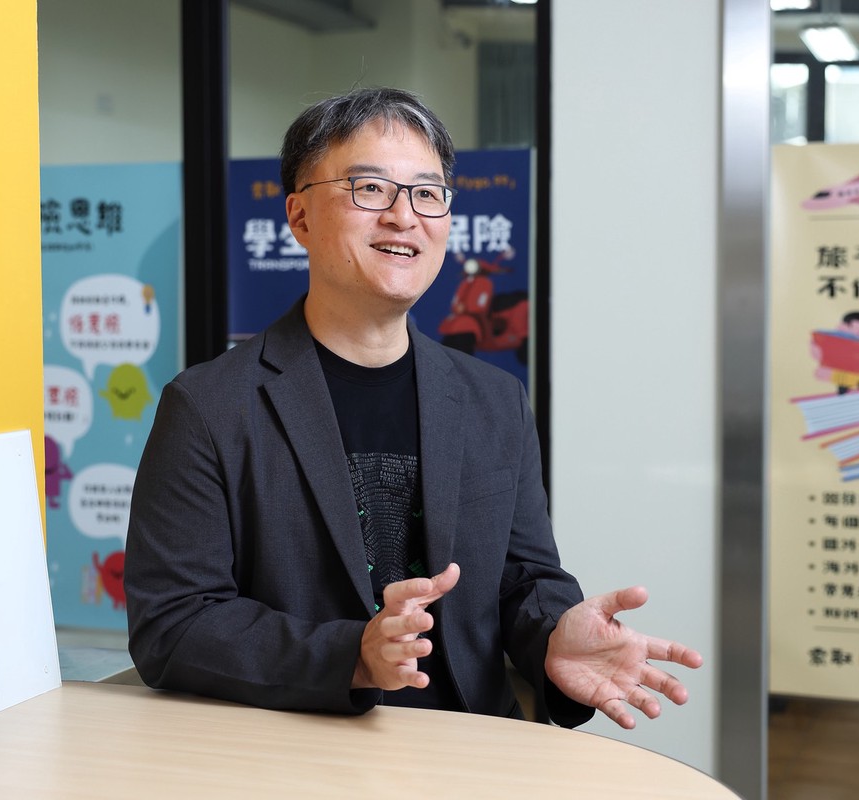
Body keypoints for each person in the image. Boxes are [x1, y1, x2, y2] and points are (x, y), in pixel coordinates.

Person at [125, 87, 702, 729]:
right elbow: (172, 624)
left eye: (427, 193)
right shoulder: (209, 406)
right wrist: (352, 655)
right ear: (300, 216)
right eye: (370, 188)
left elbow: (522, 580)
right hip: (298, 749)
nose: (404, 217)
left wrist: (554, 636)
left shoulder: (494, 400)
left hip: (473, 746)